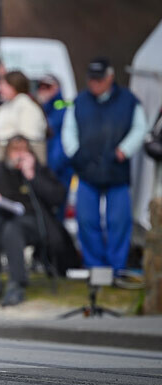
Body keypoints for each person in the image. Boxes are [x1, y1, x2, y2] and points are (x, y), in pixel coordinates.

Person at [61, 57, 147, 271]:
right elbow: (68, 131)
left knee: (118, 221)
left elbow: (140, 128)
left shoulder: (128, 100)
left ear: (110, 78)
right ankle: (95, 267)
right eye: (92, 79)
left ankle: (116, 267)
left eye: (99, 80)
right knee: (87, 220)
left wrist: (124, 150)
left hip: (115, 169)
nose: (94, 84)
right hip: (87, 169)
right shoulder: (80, 101)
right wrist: (76, 153)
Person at [0, 136, 67, 306]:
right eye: (15, 151)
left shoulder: (39, 171)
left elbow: (57, 197)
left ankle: (17, 283)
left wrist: (32, 176)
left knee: (11, 229)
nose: (19, 155)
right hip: (3, 217)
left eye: (23, 150)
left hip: (32, 221)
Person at [36, 74, 72, 221]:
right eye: (41, 87)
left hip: (60, 170)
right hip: (43, 169)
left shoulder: (64, 107)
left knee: (57, 213)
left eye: (48, 87)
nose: (43, 90)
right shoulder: (40, 108)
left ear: (57, 88)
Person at [0, 71, 46, 141]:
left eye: (3, 85)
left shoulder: (27, 106)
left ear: (14, 86)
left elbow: (29, 135)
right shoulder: (5, 106)